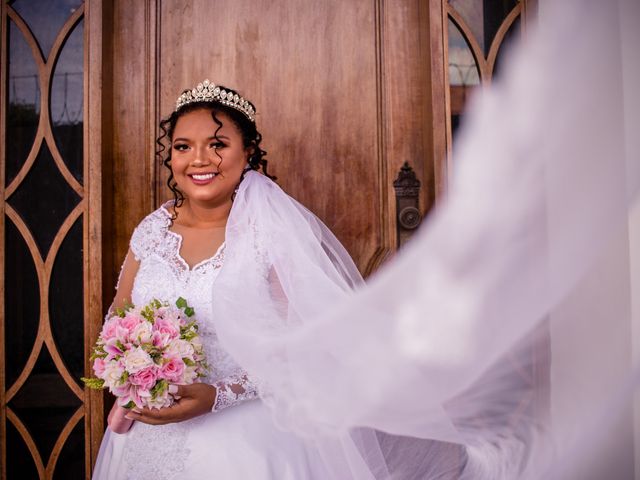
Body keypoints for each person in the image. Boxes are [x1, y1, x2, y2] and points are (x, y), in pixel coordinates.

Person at [91, 81, 398, 479]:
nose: (199, 160)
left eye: (217, 145)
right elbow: (117, 319)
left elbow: (303, 349)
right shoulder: (152, 230)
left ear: (248, 152)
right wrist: (130, 369)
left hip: (246, 441)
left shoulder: (268, 234)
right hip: (145, 436)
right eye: (183, 146)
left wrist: (218, 395)